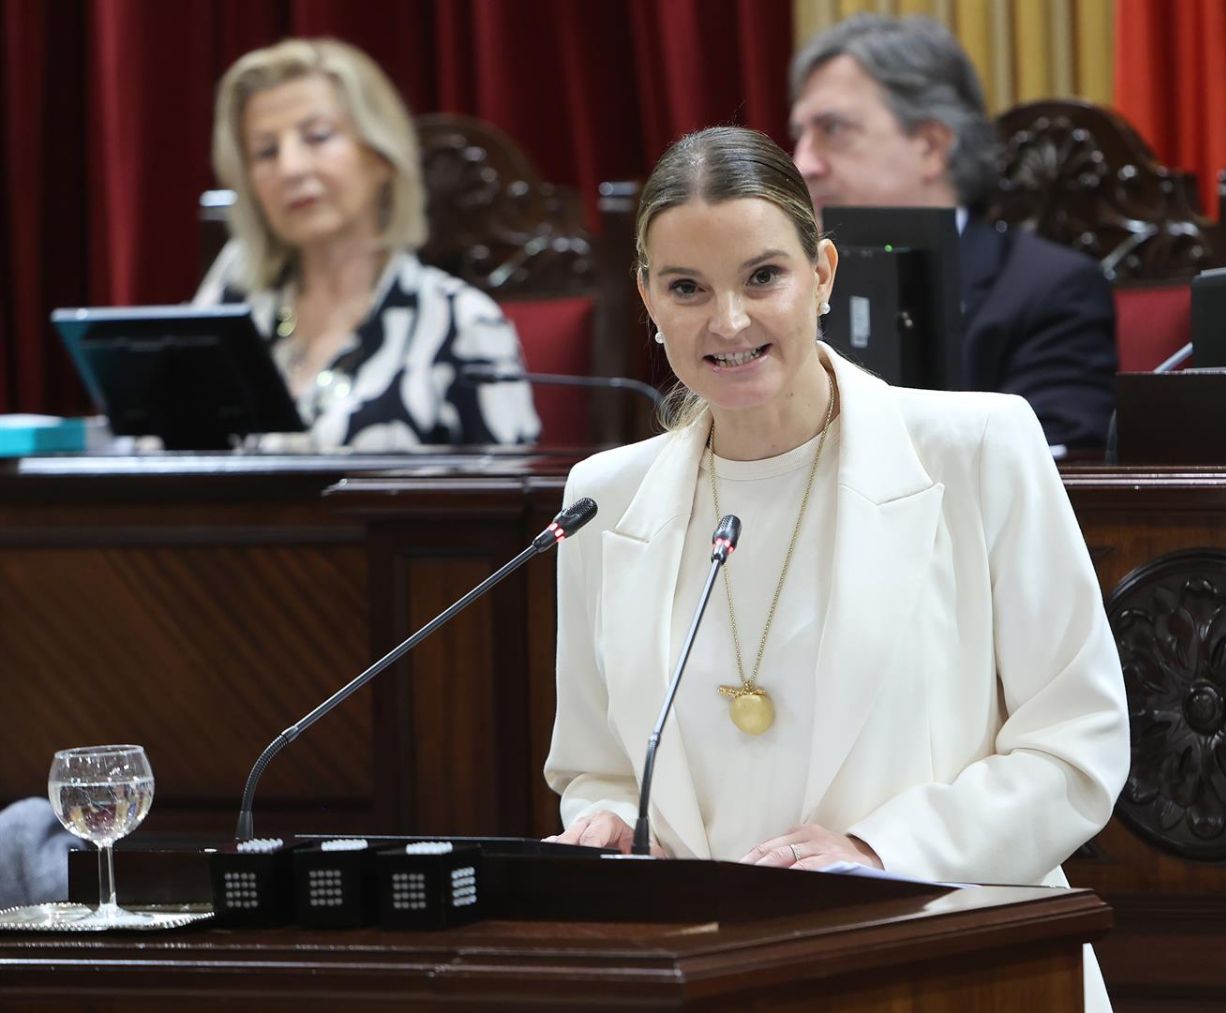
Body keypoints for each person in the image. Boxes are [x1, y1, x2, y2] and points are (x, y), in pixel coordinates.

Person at [543, 126, 1129, 1010]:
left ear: (821, 272)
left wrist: (878, 853)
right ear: (647, 299)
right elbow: (596, 765)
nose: (728, 321)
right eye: (688, 288)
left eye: (762, 276)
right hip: (716, 978)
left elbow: (1075, 748)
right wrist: (610, 822)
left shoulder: (978, 448)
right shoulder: (602, 500)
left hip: (952, 964)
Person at [788, 15, 1119, 452]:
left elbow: (1051, 469)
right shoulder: (787, 287)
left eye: (832, 130)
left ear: (931, 146)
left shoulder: (1049, 290)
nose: (802, 163)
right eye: (800, 135)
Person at [193, 38, 539, 451]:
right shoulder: (233, 297)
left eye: (317, 137)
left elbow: (513, 504)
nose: (291, 168)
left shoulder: (462, 323)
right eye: (266, 152)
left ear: (380, 155)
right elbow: (159, 455)